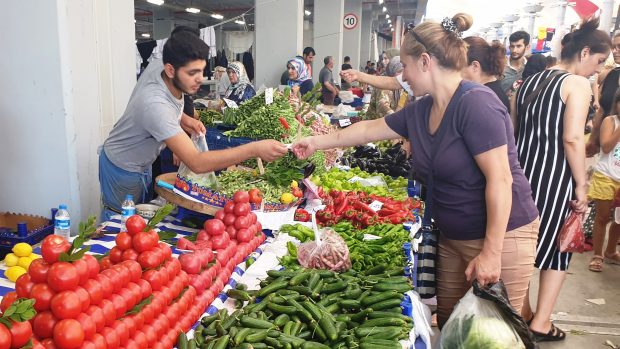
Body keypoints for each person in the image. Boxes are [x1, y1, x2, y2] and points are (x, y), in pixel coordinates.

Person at [293, 13, 540, 328]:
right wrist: (316, 141)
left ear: (425, 61)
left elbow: (501, 180)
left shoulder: (476, 104)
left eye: (405, 67)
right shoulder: (422, 109)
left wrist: (491, 253)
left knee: (494, 334)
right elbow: (368, 130)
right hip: (452, 236)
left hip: (502, 236)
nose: (403, 76)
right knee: (452, 326)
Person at [99, 31, 288, 221]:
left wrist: (185, 120)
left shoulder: (164, 68)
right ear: (171, 70)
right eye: (192, 73)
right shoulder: (155, 105)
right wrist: (254, 149)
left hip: (141, 160)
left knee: (139, 218)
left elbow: (168, 105)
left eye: (201, 70)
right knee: (120, 221)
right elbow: (197, 162)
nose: (200, 79)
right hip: (122, 166)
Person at [512, 17, 611, 342]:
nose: (597, 71)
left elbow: (515, 132)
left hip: (521, 177)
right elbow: (572, 139)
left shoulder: (530, 82)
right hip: (554, 179)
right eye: (598, 61)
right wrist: (581, 186)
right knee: (558, 248)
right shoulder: (576, 84)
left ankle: (521, 313)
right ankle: (541, 322)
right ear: (585, 52)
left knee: (524, 247)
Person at [587, 90, 620, 272]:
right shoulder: (610, 121)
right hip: (606, 175)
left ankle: (611, 251)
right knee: (602, 217)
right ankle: (597, 255)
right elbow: (606, 147)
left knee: (619, 219)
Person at [587, 33, 620, 157]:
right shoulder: (611, 75)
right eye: (613, 47)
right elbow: (601, 111)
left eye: (619, 46)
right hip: (604, 149)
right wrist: (592, 140)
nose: (615, 51)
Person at [462, 36, 510, 110]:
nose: (455, 72)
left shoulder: (482, 99)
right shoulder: (493, 92)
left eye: (459, 66)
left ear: (475, 66)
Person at [500, 30, 531, 95]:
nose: (514, 50)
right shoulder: (500, 66)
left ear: (527, 47)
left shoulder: (530, 67)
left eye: (518, 46)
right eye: (512, 46)